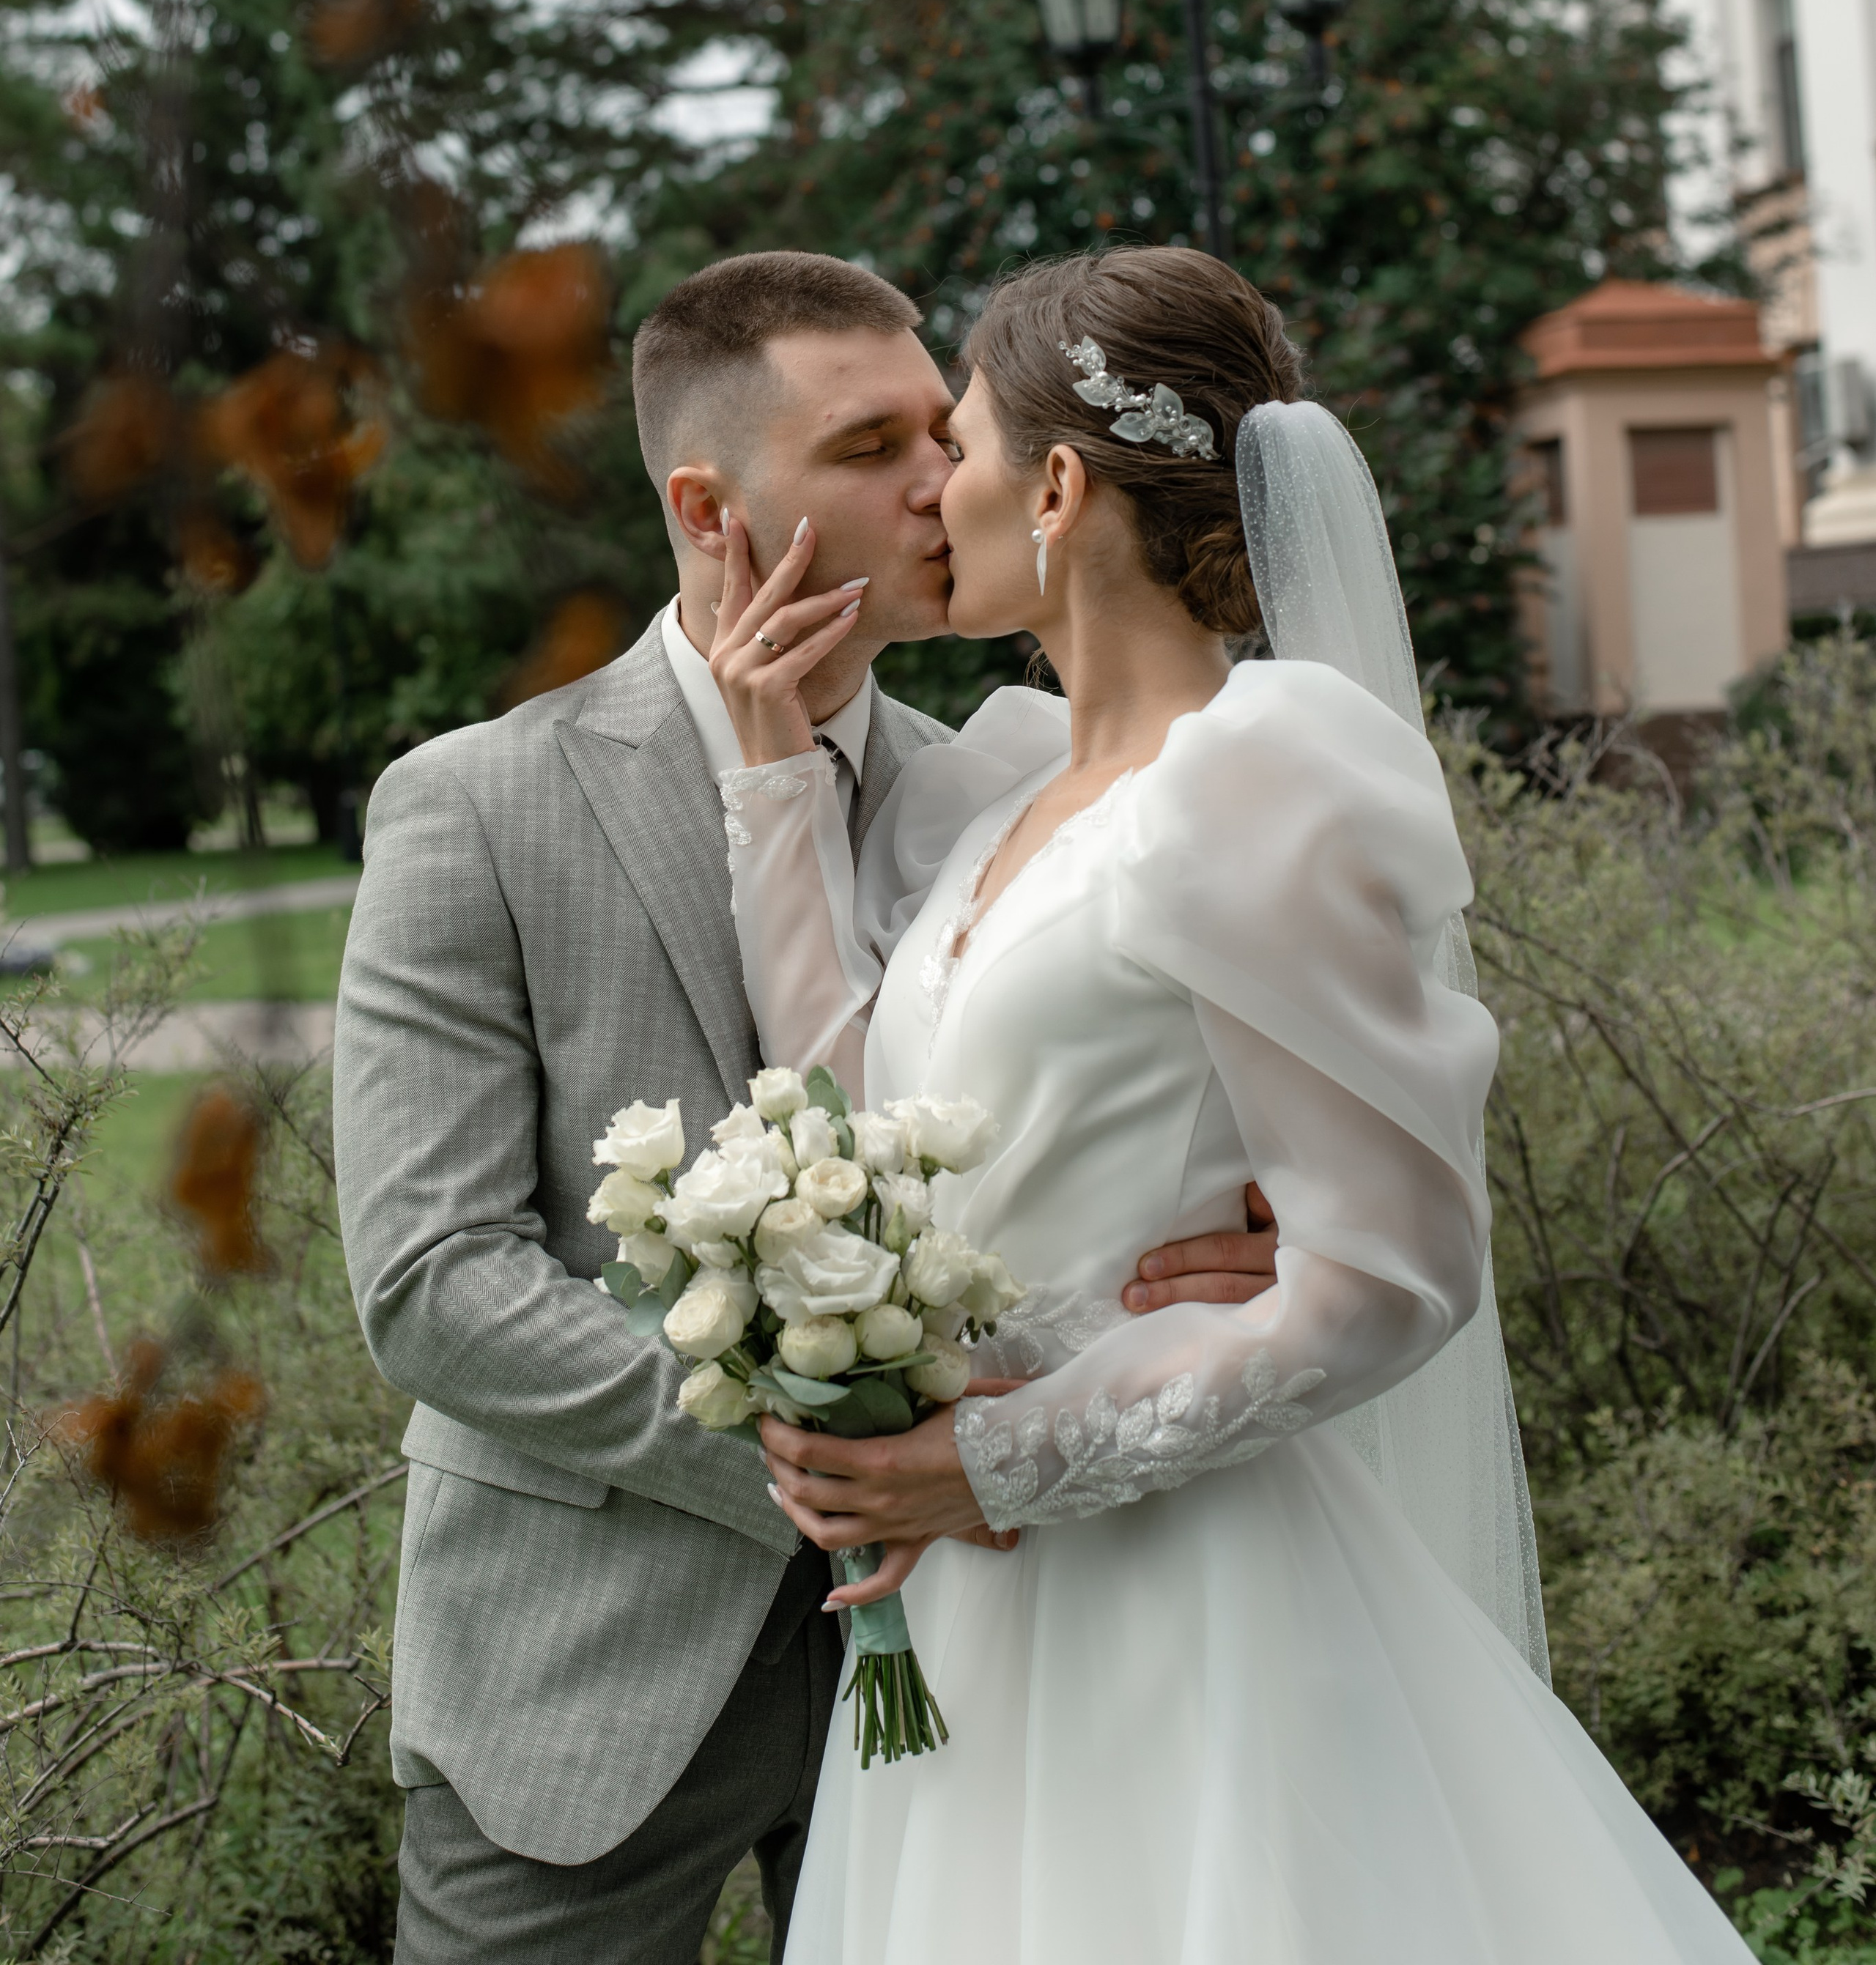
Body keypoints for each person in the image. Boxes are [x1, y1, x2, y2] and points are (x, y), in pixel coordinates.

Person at [707, 244, 1758, 1965]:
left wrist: (990, 1459)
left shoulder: (1251, 778)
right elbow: (862, 1125)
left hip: (1191, 1598)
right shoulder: (1005, 792)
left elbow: (1390, 1272)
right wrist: (767, 782)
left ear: (1057, 488)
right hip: (982, 1611)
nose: (931, 489)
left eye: (957, 445)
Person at [331, 248, 1276, 1965]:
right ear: (708, 510)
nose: (941, 480)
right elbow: (433, 1284)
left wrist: (1244, 1237)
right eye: (866, 449)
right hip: (583, 1680)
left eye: (942, 434)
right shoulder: (472, 807)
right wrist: (836, 1456)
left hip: (996, 1662)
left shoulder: (1009, 788)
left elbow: (1152, 1121)